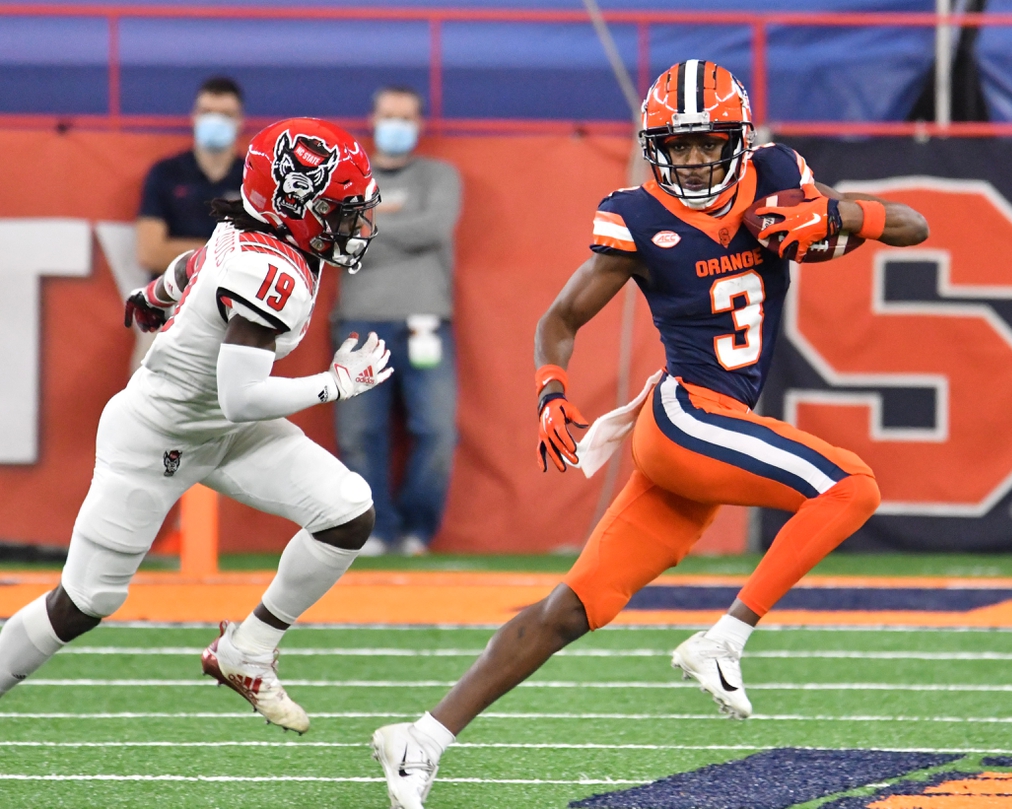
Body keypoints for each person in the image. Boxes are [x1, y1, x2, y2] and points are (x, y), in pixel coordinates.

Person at [370, 60, 930, 808]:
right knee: (851, 485)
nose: (694, 158)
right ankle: (724, 638)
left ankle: (421, 737)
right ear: (654, 145)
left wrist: (840, 216)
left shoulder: (776, 175)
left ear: (739, 139)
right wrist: (549, 389)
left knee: (571, 608)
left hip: (709, 432)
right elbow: (559, 318)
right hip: (685, 418)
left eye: (706, 143)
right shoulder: (636, 217)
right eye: (679, 144)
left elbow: (913, 226)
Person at [0, 118, 392, 736]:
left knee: (347, 512)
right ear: (295, 205)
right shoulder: (274, 272)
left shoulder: (255, 231)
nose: (351, 224)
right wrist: (339, 384)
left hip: (222, 431)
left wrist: (158, 293)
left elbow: (199, 260)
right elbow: (242, 397)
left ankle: (248, 652)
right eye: (338, 210)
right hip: (160, 437)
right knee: (84, 603)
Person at [332, 86, 462, 557]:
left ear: (420, 123)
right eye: (389, 115)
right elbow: (337, 236)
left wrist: (369, 225)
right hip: (359, 322)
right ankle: (376, 529)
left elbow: (435, 227)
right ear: (372, 117)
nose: (396, 124)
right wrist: (385, 226)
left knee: (436, 431)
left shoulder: (440, 175)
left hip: (427, 323)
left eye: (406, 117)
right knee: (361, 434)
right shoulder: (346, 177)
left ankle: (416, 532)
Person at [136, 76, 246, 274]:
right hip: (176, 299)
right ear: (194, 117)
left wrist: (181, 250)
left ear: (240, 121)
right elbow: (150, 253)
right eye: (207, 113)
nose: (216, 121)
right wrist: (229, 254)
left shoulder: (252, 179)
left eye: (226, 115)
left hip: (234, 299)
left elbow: (266, 255)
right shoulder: (165, 173)